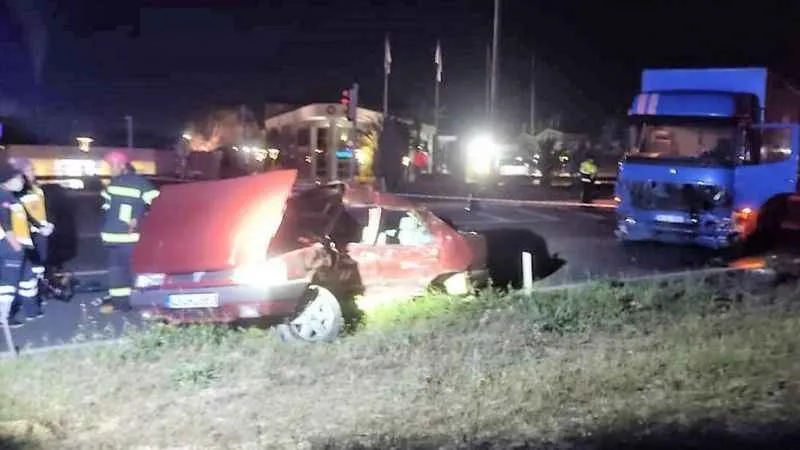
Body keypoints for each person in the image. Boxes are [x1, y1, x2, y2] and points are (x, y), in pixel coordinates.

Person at [99, 151, 159, 314]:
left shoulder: (140, 184)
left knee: (127, 270)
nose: (110, 169)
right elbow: (106, 208)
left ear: (122, 165)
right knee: (118, 271)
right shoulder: (113, 184)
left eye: (112, 166)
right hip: (114, 237)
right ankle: (122, 303)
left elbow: (157, 204)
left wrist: (139, 218)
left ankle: (134, 302)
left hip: (129, 238)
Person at [9, 157, 54, 312]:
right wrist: (38, 227)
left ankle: (36, 297)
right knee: (25, 271)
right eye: (30, 170)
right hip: (28, 236)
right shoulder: (16, 192)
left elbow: (41, 210)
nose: (33, 172)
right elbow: (21, 216)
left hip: (40, 234)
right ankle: (18, 304)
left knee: (38, 268)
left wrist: (46, 224)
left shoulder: (37, 189)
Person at [0, 165, 32, 327]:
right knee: (7, 284)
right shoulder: (4, 196)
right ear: (8, 180)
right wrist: (16, 246)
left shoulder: (9, 195)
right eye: (19, 178)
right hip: (7, 246)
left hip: (6, 245)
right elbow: (6, 223)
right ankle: (4, 317)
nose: (22, 181)